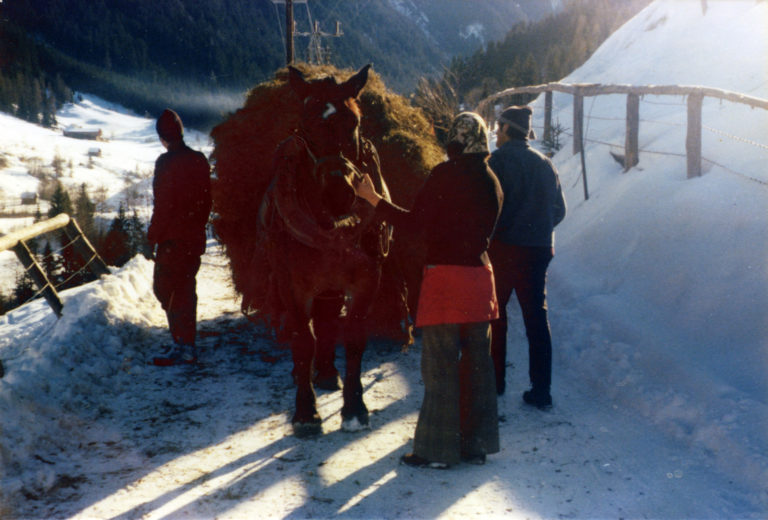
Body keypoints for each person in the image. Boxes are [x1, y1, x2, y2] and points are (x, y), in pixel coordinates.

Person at [357, 112, 502, 468]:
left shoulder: (444, 175)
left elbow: (413, 224)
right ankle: (476, 445)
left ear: (455, 140)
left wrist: (373, 198)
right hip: (480, 280)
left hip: (446, 280)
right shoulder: (493, 181)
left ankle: (437, 451)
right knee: (478, 367)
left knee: (440, 367)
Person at [488, 105, 566, 408]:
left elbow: (488, 207)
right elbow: (560, 210)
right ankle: (541, 391)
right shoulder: (546, 164)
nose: (495, 132)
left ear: (507, 129)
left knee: (497, 315)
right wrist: (538, 230)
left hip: (504, 249)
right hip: (538, 250)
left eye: (498, 127)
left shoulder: (496, 162)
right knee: (536, 318)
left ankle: (495, 383)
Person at [147, 108, 212, 366]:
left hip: (171, 240)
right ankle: (184, 342)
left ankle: (184, 345)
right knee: (185, 288)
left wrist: (152, 236)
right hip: (192, 238)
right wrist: (197, 226)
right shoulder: (199, 159)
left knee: (166, 288)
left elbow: (162, 205)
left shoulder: (164, 163)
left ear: (163, 137)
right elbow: (207, 200)